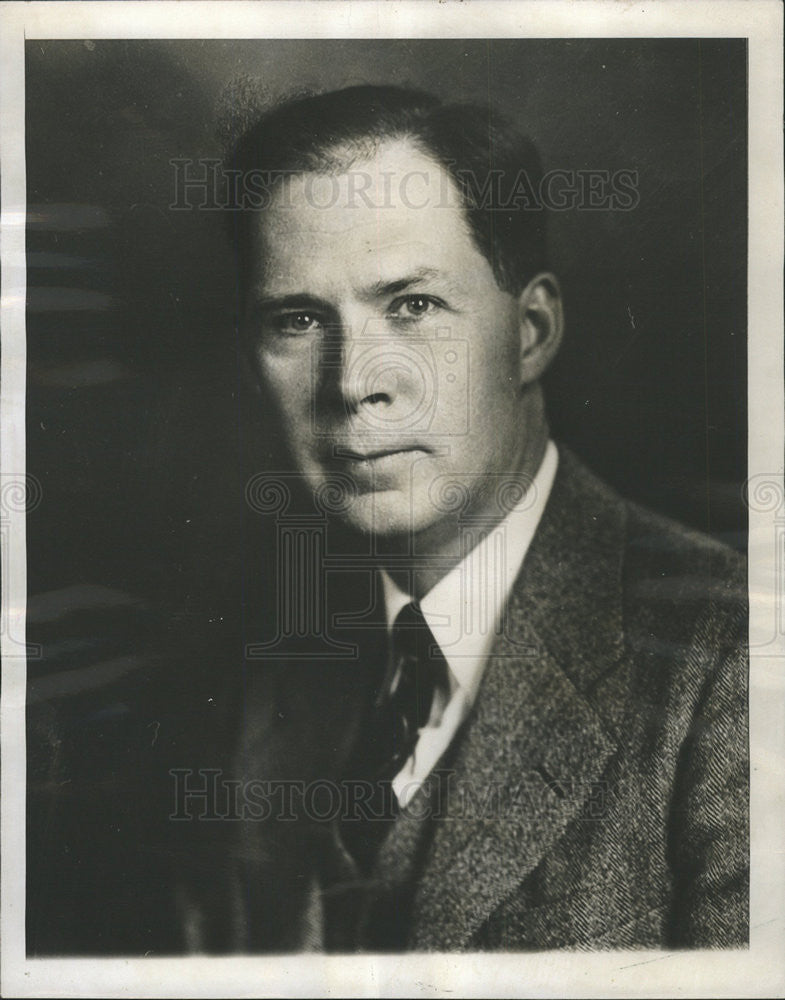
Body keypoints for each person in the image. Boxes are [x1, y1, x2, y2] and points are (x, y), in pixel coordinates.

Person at [26, 84, 748, 954]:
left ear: (530, 332)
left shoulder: (729, 664)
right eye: (297, 320)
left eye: (411, 306)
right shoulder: (247, 663)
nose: (350, 382)